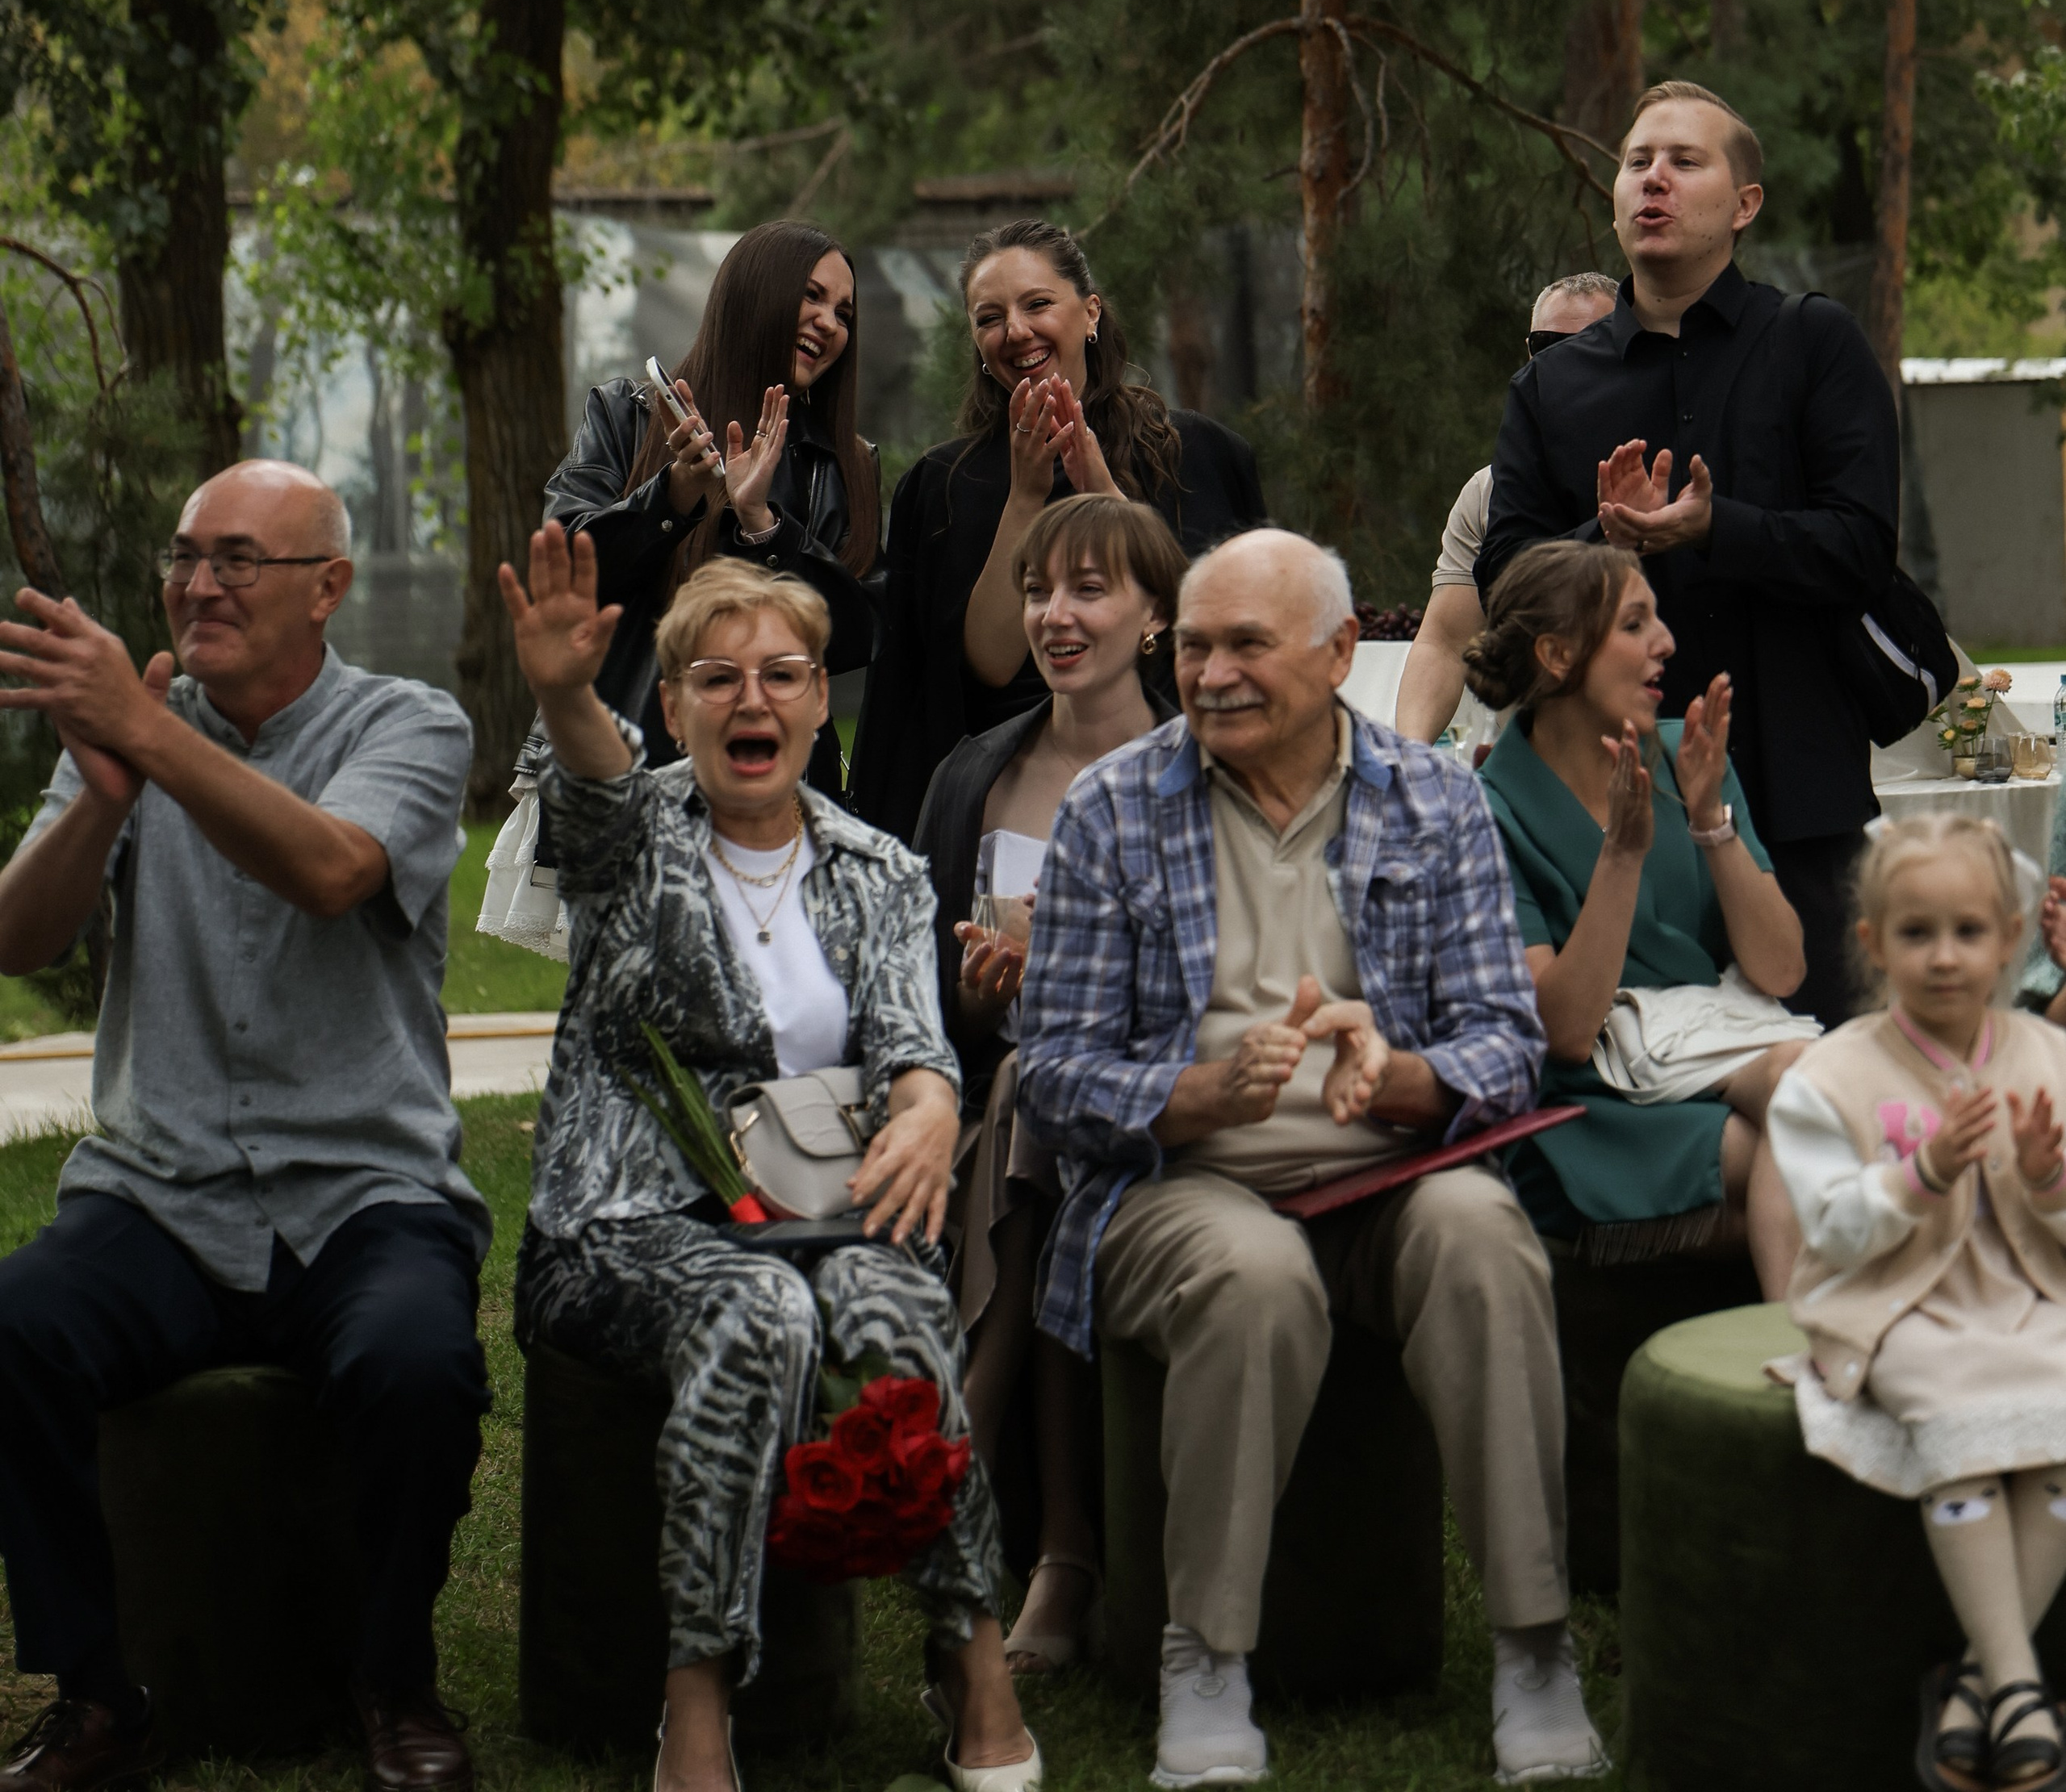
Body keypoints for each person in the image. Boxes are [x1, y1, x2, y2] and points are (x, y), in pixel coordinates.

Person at [1017, 525, 1605, 1790]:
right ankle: (1206, 1660)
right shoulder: (1111, 808)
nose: (1212, 673)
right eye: (1194, 647)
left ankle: (1534, 1648)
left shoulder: (1435, 797)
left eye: (1248, 645)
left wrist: (1402, 1079)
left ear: (1341, 653)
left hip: (1391, 1174)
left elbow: (1508, 1044)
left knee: (1485, 1240)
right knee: (1255, 1276)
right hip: (1185, 1186)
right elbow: (1053, 1074)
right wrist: (1197, 1094)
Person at [501, 530, 1038, 1792]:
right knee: (759, 1314)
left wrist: (928, 1109)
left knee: (899, 1310)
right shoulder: (633, 836)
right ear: (675, 705)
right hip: (624, 1226)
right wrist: (567, 695)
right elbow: (589, 783)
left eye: (784, 674)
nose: (755, 699)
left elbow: (913, 1043)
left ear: (816, 702)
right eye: (719, 678)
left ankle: (970, 1653)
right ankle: (696, 1696)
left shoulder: (880, 871)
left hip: (816, 1216)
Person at [0, 462, 489, 1792]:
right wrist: (105, 793)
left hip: (366, 1188)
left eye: (236, 560)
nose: (196, 584)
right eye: (182, 557)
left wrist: (149, 741)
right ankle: (99, 1699)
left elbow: (331, 869)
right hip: (161, 1192)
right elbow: (20, 937)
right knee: (19, 1327)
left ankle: (393, 1682)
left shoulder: (410, 724)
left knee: (418, 1366)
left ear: (328, 588)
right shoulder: (136, 730)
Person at [1477, 79, 1901, 1030]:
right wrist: (1606, 539)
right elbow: (1503, 585)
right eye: (1636, 162)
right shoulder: (1550, 388)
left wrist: (1718, 527)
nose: (1653, 179)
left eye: (1683, 161)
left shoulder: (1813, 344)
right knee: (1637, 1065)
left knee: (1828, 1072)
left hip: (1797, 791)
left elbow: (1862, 549)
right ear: (1614, 201)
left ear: (1744, 205)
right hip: (1604, 805)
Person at [914, 491, 1189, 1677]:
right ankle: (1056, 1549)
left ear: (1157, 617)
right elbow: (928, 1008)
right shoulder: (977, 772)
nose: (1054, 616)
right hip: (995, 1113)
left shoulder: (1200, 767)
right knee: (1025, 1089)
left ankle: (970, 1461)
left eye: (1089, 589)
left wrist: (1075, 975)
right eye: (1037, 591)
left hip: (1153, 1102)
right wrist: (982, 991)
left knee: (1044, 1090)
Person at [1769, 817, 2066, 1792]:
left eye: (1968, 932)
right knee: (1949, 1410)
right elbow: (1832, 1229)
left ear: (2010, 939)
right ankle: (2019, 1684)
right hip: (1903, 1310)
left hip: (2029, 1300)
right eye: (1916, 933)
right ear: (1872, 943)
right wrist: (1920, 1173)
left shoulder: (2048, 1058)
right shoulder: (1830, 1078)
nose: (1944, 957)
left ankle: (1977, 1684)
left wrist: (2048, 1183)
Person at [1466, 539, 1809, 1290]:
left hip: (1719, 1050)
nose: (1667, 642)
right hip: (1592, 1112)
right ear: (1557, 655)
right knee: (1810, 1148)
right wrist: (1621, 855)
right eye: (1634, 623)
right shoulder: (1486, 812)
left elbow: (1782, 970)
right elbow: (1565, 1030)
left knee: (1808, 1091)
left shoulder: (1689, 757)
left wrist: (1710, 820)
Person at [850, 219, 1263, 841]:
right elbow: (988, 668)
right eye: (990, 318)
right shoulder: (942, 487)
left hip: (1179, 786)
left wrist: (1103, 493)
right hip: (1014, 810)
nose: (1015, 331)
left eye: (1037, 304)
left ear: (1090, 313)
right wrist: (1025, 496)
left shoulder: (1197, 455)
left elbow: (1213, 632)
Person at [542, 221, 881, 796]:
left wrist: (765, 528)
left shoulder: (846, 464)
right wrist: (674, 495)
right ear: (752, 296)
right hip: (620, 781)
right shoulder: (627, 416)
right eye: (812, 296)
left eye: (844, 314)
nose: (829, 323)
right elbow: (566, 568)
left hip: (778, 793)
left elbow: (859, 634)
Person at [1395, 274, 1621, 747]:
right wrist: (1409, 755)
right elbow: (1446, 643)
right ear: (1529, 355)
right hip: (1530, 767)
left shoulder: (1669, 474)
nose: (1567, 364)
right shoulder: (1488, 492)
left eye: (1589, 344)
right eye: (1548, 347)